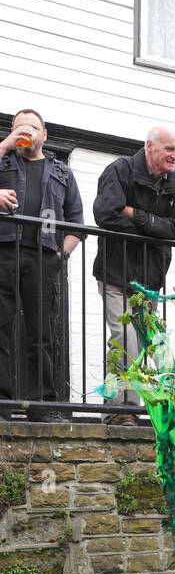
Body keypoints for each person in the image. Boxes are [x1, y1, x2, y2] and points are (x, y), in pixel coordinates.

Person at [91, 125, 175, 422]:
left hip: (149, 278)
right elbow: (106, 215)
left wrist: (136, 214)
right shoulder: (120, 170)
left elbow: (174, 230)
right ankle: (122, 408)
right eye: (169, 149)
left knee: (142, 341)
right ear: (149, 146)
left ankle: (126, 405)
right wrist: (152, 231)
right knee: (124, 337)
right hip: (116, 270)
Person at [0, 109, 83, 420]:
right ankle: (2, 403)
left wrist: (61, 254)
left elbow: (76, 223)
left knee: (42, 333)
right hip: (4, 249)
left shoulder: (63, 173)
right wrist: (7, 143)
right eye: (20, 126)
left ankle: (42, 405)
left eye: (32, 127)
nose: (26, 132)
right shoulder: (4, 160)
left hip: (44, 256)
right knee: (0, 327)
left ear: (44, 134)